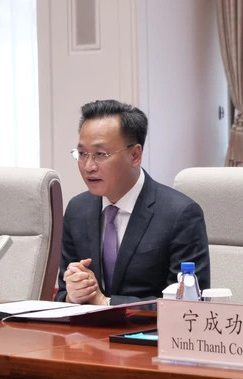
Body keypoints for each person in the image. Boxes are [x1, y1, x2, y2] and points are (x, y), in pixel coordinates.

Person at [57, 99, 210, 305]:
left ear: (135, 155)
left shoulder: (180, 214)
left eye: (101, 154)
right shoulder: (77, 210)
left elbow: (188, 305)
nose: (89, 166)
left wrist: (106, 302)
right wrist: (73, 294)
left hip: (150, 336)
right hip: (85, 335)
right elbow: (61, 293)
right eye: (82, 154)